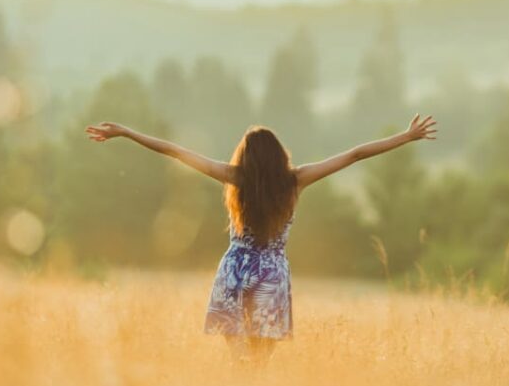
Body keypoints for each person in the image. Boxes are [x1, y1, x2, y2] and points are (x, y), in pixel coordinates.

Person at [84, 114, 437, 366]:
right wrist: (406, 137)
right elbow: (354, 154)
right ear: (279, 156)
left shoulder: (232, 177)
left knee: (238, 359)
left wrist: (128, 133)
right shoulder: (295, 181)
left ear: (246, 157)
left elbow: (175, 151)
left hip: (235, 270)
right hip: (271, 273)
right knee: (260, 363)